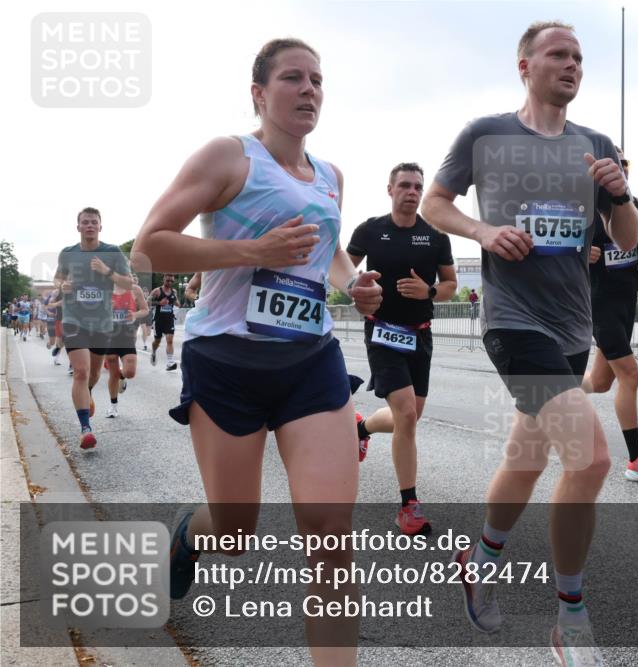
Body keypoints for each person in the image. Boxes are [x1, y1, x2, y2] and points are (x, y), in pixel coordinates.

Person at [132, 37, 380, 666]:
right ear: (259, 93)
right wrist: (251, 251)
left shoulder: (330, 176)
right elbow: (150, 245)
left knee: (330, 537)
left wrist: (356, 285)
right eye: (293, 78)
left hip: (309, 359)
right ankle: (190, 540)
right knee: (235, 532)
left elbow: (326, 251)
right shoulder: (228, 156)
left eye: (317, 80)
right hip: (227, 361)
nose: (309, 90)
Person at [422, 21, 638, 664]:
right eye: (558, 54)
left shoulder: (596, 144)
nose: (571, 65)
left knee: (526, 458)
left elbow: (624, 235)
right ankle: (570, 616)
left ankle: (480, 556)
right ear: (525, 65)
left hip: (574, 325)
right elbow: (437, 204)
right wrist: (484, 232)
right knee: (592, 458)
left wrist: (622, 193)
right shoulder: (487, 136)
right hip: (514, 322)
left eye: (578, 56)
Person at [348, 162, 457, 535]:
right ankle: (409, 505)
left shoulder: (436, 236)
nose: (412, 192)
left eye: (418, 187)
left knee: (408, 416)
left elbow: (451, 286)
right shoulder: (371, 230)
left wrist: (428, 291)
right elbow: (344, 270)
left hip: (420, 334)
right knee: (407, 414)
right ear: (390, 189)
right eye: (405, 185)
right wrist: (356, 289)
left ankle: (360, 429)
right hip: (382, 332)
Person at [582, 147, 638, 483]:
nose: (621, 169)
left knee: (601, 382)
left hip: (626, 298)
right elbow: (556, 255)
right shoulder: (585, 210)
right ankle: (636, 460)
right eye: (614, 164)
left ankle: (556, 390)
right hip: (597, 300)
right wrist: (580, 254)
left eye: (625, 164)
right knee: (630, 374)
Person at [54, 207, 133, 449]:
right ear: (78, 226)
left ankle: (87, 393)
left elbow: (129, 283)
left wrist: (106, 271)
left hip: (101, 322)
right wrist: (63, 284)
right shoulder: (67, 253)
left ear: (101, 226)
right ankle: (85, 429)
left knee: (95, 374)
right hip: (73, 319)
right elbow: (58, 279)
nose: (89, 225)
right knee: (80, 371)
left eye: (94, 222)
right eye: (85, 222)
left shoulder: (112, 252)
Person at [102, 278, 149, 417]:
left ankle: (122, 376)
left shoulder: (135, 289)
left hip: (126, 336)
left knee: (130, 372)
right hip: (108, 336)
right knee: (112, 373)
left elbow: (145, 310)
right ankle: (113, 406)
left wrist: (134, 314)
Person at [149, 273, 179, 370]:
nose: (169, 282)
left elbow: (177, 302)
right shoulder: (157, 291)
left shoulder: (174, 291)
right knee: (157, 341)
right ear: (164, 279)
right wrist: (159, 303)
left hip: (169, 319)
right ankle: (153, 352)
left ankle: (169, 362)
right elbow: (147, 302)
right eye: (168, 280)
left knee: (169, 340)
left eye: (171, 281)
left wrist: (176, 303)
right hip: (158, 320)